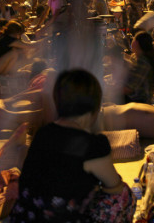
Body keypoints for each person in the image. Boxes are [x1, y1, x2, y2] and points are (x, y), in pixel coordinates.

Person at [9, 69, 135, 222]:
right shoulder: (93, 145)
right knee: (125, 196)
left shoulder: (43, 133)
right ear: (95, 109)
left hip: (23, 217)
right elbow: (115, 187)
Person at [124, 31, 154, 104]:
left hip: (138, 101)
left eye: (133, 39)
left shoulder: (143, 62)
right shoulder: (138, 57)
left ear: (136, 43)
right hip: (135, 99)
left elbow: (128, 89)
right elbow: (130, 59)